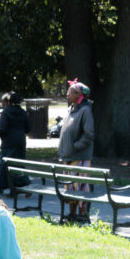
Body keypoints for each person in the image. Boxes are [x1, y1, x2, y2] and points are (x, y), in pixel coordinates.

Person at [57, 80, 94, 222]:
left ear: (78, 94)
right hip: (68, 156)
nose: (67, 93)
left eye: (70, 91)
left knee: (80, 186)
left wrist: (75, 146)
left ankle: (82, 214)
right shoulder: (71, 109)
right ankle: (71, 214)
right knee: (70, 185)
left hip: (80, 156)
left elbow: (89, 134)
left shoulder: (85, 110)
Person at [0, 92, 30, 193]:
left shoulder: (5, 112)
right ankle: (21, 184)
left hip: (8, 143)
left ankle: (0, 187)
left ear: (9, 101)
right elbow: (28, 128)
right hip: (20, 142)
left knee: (6, 166)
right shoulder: (23, 112)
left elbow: (3, 129)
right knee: (19, 164)